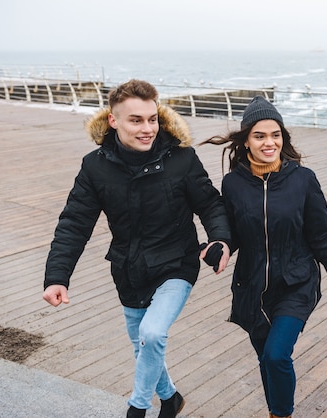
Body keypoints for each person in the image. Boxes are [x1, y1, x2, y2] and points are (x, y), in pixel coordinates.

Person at [42, 79, 231, 418]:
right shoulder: (95, 166)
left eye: (152, 119)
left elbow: (211, 204)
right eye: (136, 120)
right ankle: (170, 398)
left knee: (152, 333)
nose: (148, 129)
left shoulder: (182, 158)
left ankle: (138, 408)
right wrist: (57, 277)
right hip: (129, 270)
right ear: (113, 121)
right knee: (142, 345)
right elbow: (74, 223)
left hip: (177, 264)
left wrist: (220, 239)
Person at [202, 96, 327, 418]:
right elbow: (232, 233)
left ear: (283, 138)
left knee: (276, 356)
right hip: (252, 287)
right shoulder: (233, 184)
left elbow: (322, 237)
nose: (269, 142)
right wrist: (220, 244)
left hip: (296, 283)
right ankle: (276, 412)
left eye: (275, 135)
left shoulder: (303, 180)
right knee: (266, 359)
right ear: (246, 141)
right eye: (259, 136)